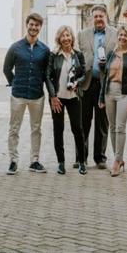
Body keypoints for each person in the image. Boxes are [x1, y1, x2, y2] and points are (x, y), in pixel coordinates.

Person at [3, 13, 50, 174]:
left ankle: (34, 161)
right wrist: (15, 81)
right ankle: (13, 160)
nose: (33, 28)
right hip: (18, 95)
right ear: (27, 25)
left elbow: (46, 73)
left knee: (36, 128)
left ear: (40, 28)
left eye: (37, 25)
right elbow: (6, 68)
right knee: (14, 128)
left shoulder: (44, 50)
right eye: (31, 24)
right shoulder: (15, 47)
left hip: (37, 95)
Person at [98, 26, 127, 177]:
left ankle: (116, 161)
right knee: (112, 127)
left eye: (126, 35)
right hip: (109, 92)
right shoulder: (111, 53)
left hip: (124, 94)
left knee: (120, 127)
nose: (123, 37)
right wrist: (101, 97)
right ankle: (120, 158)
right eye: (121, 35)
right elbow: (104, 76)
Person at [46, 26, 87, 175]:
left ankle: (82, 162)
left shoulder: (78, 55)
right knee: (58, 129)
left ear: (72, 37)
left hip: (74, 97)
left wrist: (78, 82)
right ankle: (61, 163)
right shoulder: (54, 55)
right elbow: (48, 76)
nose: (66, 38)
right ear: (59, 39)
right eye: (62, 36)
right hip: (58, 98)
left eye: (68, 35)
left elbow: (83, 73)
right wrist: (52, 96)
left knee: (78, 129)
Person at [76, 4, 109, 169]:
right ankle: (81, 157)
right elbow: (76, 58)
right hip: (86, 84)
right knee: (83, 122)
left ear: (106, 17)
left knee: (102, 123)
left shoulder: (115, 35)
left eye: (101, 16)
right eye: (95, 16)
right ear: (91, 18)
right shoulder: (82, 34)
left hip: (105, 85)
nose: (98, 19)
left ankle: (100, 157)